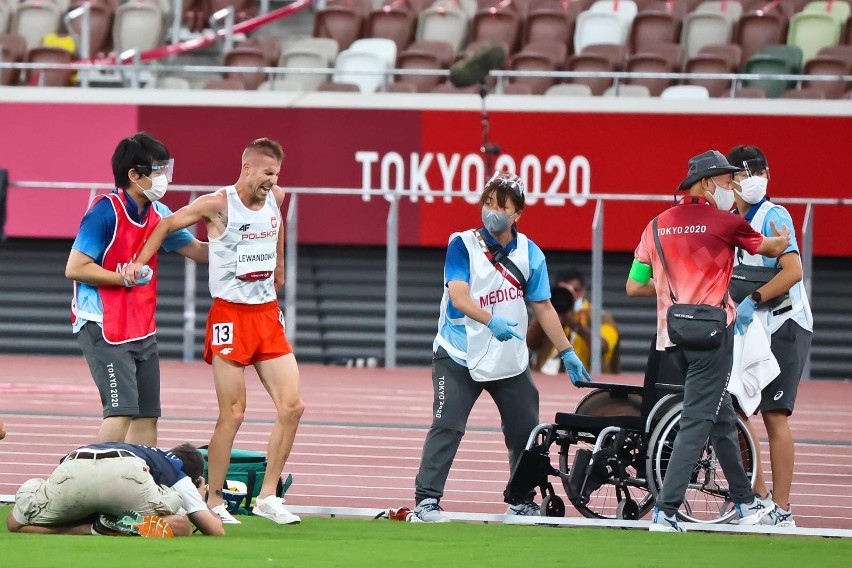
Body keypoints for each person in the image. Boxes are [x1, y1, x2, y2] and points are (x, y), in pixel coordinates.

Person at [123, 138, 303, 526]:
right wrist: (139, 262)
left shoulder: (277, 196)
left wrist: (280, 265)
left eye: (277, 174)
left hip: (267, 315)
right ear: (248, 168)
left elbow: (277, 225)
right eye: (267, 173)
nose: (273, 181)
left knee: (292, 407)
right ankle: (216, 497)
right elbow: (168, 223)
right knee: (233, 413)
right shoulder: (217, 203)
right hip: (230, 317)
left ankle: (268, 496)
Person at [625, 150, 792, 532]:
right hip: (714, 337)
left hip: (673, 336)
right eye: (724, 180)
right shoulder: (723, 222)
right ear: (704, 184)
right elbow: (768, 248)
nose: (730, 187)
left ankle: (746, 503)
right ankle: (666, 511)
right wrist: (780, 239)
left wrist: (671, 286)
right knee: (698, 421)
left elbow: (634, 285)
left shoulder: (656, 225)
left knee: (719, 419)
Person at [412, 171, 591, 523]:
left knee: (526, 431)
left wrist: (567, 351)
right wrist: (489, 320)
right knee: (447, 425)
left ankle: (522, 500)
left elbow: (543, 306)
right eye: (488, 203)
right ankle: (426, 502)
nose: (492, 210)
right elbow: (459, 296)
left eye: (501, 206)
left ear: (517, 214)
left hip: (509, 359)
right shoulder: (461, 244)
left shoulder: (531, 254)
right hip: (459, 353)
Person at [65, 132, 208, 446]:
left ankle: (139, 487)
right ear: (134, 175)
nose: (164, 179)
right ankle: (89, 482)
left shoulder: (160, 215)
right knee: (120, 412)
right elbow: (75, 268)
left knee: (146, 416)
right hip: (102, 324)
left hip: (141, 327)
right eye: (158, 171)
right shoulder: (104, 211)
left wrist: (238, 239)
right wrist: (124, 278)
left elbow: (199, 252)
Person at [727, 145, 813, 527]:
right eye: (745, 174)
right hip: (751, 325)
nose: (754, 179)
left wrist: (755, 298)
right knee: (735, 411)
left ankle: (781, 509)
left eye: (759, 171)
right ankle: (758, 500)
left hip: (783, 321)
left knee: (774, 414)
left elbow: (793, 271)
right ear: (730, 180)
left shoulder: (773, 215)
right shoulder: (728, 219)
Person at [6, 442, 225, 537]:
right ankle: (111, 526)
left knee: (16, 523)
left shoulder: (147, 452)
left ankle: (85, 528)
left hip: (74, 465)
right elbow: (215, 530)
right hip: (127, 476)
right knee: (182, 524)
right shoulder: (174, 467)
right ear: (195, 478)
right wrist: (199, 498)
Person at [528, 270, 621, 374]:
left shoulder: (600, 317)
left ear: (583, 291)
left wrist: (575, 324)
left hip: (587, 378)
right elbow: (529, 344)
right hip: (547, 377)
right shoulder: (550, 315)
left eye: (575, 290)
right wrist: (543, 314)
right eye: (564, 291)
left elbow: (603, 347)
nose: (570, 295)